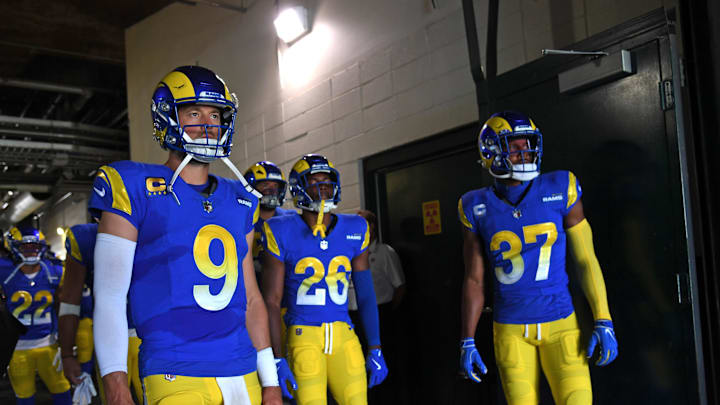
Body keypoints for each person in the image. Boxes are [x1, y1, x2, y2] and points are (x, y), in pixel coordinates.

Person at [88, 65, 281, 405]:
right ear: (168, 117)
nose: (208, 124)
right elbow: (110, 296)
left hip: (243, 367)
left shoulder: (242, 198)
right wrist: (116, 387)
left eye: (215, 114)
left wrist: (270, 381)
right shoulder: (133, 185)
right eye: (194, 112)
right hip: (175, 368)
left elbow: (251, 298)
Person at [458, 111, 618, 405]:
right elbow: (474, 278)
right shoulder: (474, 205)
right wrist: (467, 338)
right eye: (514, 147)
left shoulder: (561, 188)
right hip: (510, 329)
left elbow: (586, 259)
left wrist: (603, 318)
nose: (525, 152)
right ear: (491, 152)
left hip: (561, 323)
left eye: (527, 144)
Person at [261, 154, 389, 405]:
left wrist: (375, 346)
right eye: (314, 181)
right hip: (303, 334)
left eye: (327, 181)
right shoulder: (280, 229)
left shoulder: (355, 227)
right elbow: (271, 301)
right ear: (299, 187)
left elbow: (365, 294)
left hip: (344, 333)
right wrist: (276, 357)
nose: (323, 187)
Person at [58, 222, 142, 404]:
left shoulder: (157, 226)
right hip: (113, 336)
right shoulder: (86, 238)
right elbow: (70, 302)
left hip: (152, 335)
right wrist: (66, 354)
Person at [0, 226, 72, 405]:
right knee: (24, 397)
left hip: (47, 343)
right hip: (17, 347)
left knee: (62, 390)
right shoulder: (5, 271)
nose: (32, 252)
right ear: (14, 247)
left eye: (35, 247)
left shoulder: (53, 271)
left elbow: (64, 304)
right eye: (26, 247)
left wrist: (63, 340)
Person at [244, 161, 296, 279]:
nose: (271, 190)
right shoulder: (241, 219)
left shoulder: (290, 220)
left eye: (275, 186)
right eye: (265, 185)